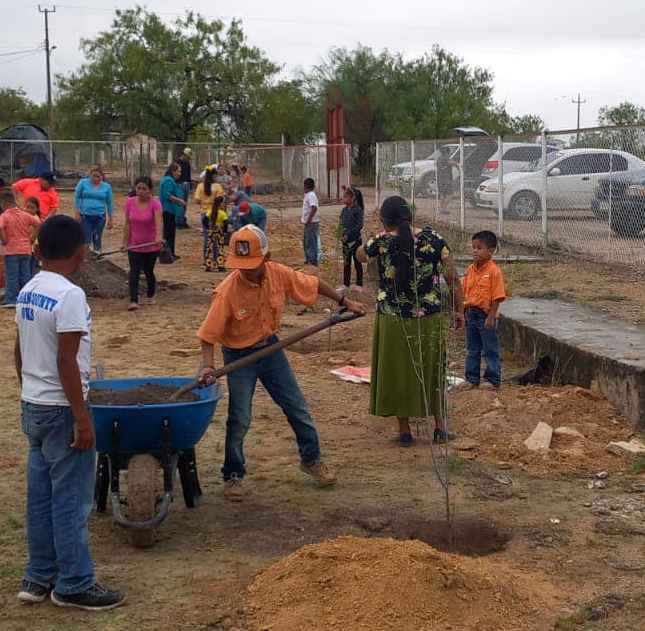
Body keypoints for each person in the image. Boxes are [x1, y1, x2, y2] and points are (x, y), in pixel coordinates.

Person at [195, 225, 359, 498]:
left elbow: (314, 284)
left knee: (297, 406)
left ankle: (311, 460)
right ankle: (234, 474)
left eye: (252, 264)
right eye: (241, 265)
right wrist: (209, 365)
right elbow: (207, 335)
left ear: (266, 258)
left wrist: (345, 301)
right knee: (240, 418)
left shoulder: (277, 274)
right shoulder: (228, 291)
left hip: (270, 350)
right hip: (238, 357)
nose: (246, 270)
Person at [13, 214, 124, 612]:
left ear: (39, 251)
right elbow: (66, 360)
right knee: (70, 500)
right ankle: (74, 583)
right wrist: (81, 418)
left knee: (40, 497)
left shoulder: (29, 288)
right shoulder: (70, 294)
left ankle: (39, 576)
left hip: (34, 406)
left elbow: (19, 348)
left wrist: (29, 389)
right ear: (81, 252)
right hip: (62, 411)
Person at [363, 195, 462, 446]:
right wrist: (459, 311)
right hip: (429, 318)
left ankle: (405, 431)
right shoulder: (435, 239)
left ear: (386, 222)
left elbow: (361, 256)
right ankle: (440, 428)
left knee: (398, 371)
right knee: (433, 370)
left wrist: (378, 236)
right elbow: (453, 278)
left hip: (392, 319)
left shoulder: (381, 241)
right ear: (411, 216)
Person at [462, 230, 507, 390]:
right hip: (471, 314)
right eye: (473, 247)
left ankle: (492, 380)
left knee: (490, 349)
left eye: (479, 248)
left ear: (490, 250)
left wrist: (490, 317)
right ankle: (471, 378)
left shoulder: (494, 272)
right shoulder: (470, 270)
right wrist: (463, 312)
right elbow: (464, 292)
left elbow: (497, 296)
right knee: (472, 349)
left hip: (485, 316)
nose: (475, 251)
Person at [123, 176, 165, 311]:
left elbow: (159, 221)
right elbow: (127, 223)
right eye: (138, 188)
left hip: (151, 244)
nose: (140, 191)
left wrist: (159, 236)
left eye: (144, 189)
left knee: (148, 271)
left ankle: (150, 294)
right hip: (134, 244)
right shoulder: (129, 203)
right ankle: (133, 300)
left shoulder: (155, 203)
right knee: (134, 271)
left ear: (150, 190)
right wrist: (125, 242)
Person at [0, 192, 39, 308]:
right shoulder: (24, 214)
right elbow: (38, 223)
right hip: (26, 249)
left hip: (11, 250)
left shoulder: (5, 216)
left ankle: (11, 299)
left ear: (3, 204)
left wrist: (4, 239)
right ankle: (26, 298)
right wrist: (33, 238)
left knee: (12, 276)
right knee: (25, 275)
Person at [74, 166, 114, 254]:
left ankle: (97, 255)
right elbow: (76, 197)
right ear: (90, 175)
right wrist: (76, 212)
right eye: (93, 176)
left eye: (98, 176)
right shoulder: (83, 183)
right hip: (85, 215)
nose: (95, 178)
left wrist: (110, 218)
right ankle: (80, 256)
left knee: (97, 237)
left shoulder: (106, 187)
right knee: (87, 239)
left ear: (102, 176)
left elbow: (110, 203)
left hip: (100, 216)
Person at [338, 185, 366, 290]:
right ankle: (346, 284)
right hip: (345, 242)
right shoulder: (344, 210)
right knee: (346, 262)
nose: (343, 198)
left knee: (357, 262)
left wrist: (348, 234)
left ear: (353, 198)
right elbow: (340, 223)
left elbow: (359, 225)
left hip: (355, 241)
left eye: (345, 196)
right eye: (343, 196)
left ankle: (359, 285)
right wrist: (340, 234)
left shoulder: (358, 210)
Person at [158, 161, 187, 259]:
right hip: (167, 210)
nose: (180, 173)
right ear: (173, 171)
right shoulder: (168, 180)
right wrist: (180, 200)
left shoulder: (170, 180)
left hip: (171, 210)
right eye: (178, 171)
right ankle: (167, 253)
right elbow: (168, 195)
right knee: (168, 233)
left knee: (171, 232)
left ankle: (171, 253)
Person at [202, 190, 231, 273]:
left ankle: (208, 264)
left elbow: (204, 220)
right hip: (220, 231)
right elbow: (226, 223)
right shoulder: (222, 213)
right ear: (221, 205)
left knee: (210, 247)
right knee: (220, 248)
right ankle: (220, 265)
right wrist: (225, 231)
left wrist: (208, 227)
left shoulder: (210, 212)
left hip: (212, 230)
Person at [301, 177, 321, 266]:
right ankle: (309, 258)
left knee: (311, 242)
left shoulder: (311, 196)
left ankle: (312, 261)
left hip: (311, 223)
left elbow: (314, 207)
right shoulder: (309, 195)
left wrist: (309, 220)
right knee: (307, 241)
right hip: (309, 223)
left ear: (306, 186)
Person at [175, 147, 193, 228]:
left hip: (186, 185)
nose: (188, 159)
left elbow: (189, 175)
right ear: (184, 155)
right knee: (180, 203)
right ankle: (179, 222)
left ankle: (182, 220)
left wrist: (191, 187)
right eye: (188, 157)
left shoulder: (187, 164)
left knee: (184, 203)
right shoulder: (176, 163)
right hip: (179, 184)